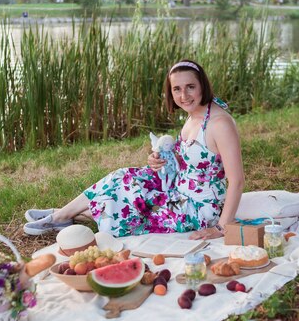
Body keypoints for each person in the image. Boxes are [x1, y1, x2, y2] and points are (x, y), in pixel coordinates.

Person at [23, 60, 245, 240]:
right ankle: (64, 214)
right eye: (177, 89)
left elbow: (237, 181)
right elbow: (194, 159)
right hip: (177, 186)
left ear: (202, 85)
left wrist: (222, 228)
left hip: (198, 207)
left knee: (133, 208)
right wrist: (159, 160)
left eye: (190, 87)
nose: (183, 95)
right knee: (122, 176)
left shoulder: (219, 124)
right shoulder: (194, 113)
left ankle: (64, 215)